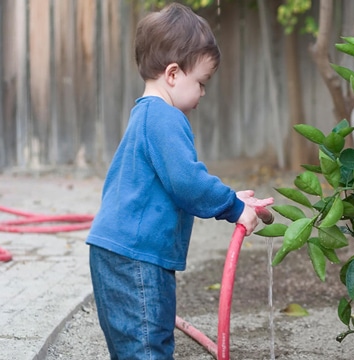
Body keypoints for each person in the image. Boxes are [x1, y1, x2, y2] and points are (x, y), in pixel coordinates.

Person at [86, 3, 273, 359]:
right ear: (173, 74)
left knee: (135, 348)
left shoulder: (145, 115)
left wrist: (229, 196)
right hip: (137, 259)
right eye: (201, 83)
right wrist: (233, 208)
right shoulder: (165, 118)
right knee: (148, 349)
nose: (203, 93)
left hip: (116, 254)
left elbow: (173, 184)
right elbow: (187, 182)